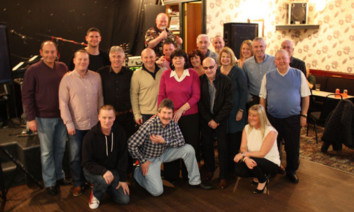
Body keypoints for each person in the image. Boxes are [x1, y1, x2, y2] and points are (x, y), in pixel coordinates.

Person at [128, 99, 209, 196]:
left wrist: (164, 141)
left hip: (164, 153)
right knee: (157, 191)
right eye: (164, 113)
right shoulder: (149, 125)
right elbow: (131, 144)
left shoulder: (173, 122)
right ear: (158, 113)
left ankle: (195, 181)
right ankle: (138, 173)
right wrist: (143, 161)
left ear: (172, 113)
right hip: (150, 159)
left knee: (188, 149)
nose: (166, 116)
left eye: (169, 113)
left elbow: (181, 141)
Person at [22, 41, 69, 195]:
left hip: (62, 117)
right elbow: (27, 96)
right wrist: (31, 119)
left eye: (53, 52)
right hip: (43, 118)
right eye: (47, 52)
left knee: (60, 149)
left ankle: (59, 176)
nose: (50, 55)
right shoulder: (32, 70)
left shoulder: (62, 67)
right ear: (41, 52)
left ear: (57, 53)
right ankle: (49, 182)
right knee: (47, 152)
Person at [259, 49, 310, 184]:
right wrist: (263, 117)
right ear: (275, 61)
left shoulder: (298, 74)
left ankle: (291, 171)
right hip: (272, 118)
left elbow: (306, 96)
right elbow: (262, 98)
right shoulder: (268, 76)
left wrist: (304, 115)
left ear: (289, 59)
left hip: (292, 118)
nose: (281, 61)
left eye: (284, 58)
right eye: (278, 59)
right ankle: (273, 169)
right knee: (272, 146)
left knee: (292, 146)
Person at [59, 49, 104, 196]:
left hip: (93, 125)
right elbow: (63, 103)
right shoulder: (67, 79)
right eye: (80, 59)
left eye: (85, 59)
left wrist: (101, 120)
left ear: (88, 61)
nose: (83, 62)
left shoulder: (96, 77)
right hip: (76, 126)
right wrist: (68, 123)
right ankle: (78, 183)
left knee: (93, 155)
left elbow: (100, 99)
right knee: (75, 156)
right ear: (74, 61)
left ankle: (92, 180)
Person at [158, 49, 201, 183]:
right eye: (175, 58)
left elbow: (196, 96)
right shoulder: (166, 75)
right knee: (172, 145)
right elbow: (161, 95)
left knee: (190, 145)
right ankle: (172, 176)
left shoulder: (192, 74)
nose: (177, 60)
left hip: (190, 116)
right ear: (171, 61)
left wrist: (180, 110)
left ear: (185, 60)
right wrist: (162, 113)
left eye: (180, 58)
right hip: (170, 118)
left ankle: (190, 175)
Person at [82, 105, 130, 209]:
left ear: (114, 118)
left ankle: (105, 187)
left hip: (112, 171)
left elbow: (123, 157)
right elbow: (86, 162)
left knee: (124, 199)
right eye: (104, 117)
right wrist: (103, 171)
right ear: (99, 117)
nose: (107, 121)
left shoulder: (120, 132)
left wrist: (122, 179)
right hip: (93, 171)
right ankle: (96, 194)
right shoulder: (90, 136)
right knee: (102, 180)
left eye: (110, 117)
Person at [199, 57, 233, 189]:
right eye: (206, 68)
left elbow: (229, 103)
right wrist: (209, 120)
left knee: (223, 147)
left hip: (221, 119)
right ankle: (210, 170)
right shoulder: (200, 81)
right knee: (207, 146)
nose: (208, 70)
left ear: (216, 66)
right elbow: (199, 102)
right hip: (206, 119)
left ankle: (223, 176)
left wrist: (217, 120)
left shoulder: (226, 81)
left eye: (211, 67)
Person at [233, 104, 280, 194]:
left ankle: (262, 180)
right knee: (238, 168)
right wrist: (246, 159)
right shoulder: (246, 128)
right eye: (250, 115)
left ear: (261, 117)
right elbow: (243, 147)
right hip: (253, 159)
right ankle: (258, 175)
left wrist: (244, 155)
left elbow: (262, 153)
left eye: (254, 116)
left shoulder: (271, 131)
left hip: (270, 162)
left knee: (253, 161)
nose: (251, 118)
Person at [217, 47, 248, 177]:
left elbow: (244, 92)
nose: (225, 59)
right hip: (222, 112)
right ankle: (225, 170)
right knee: (223, 143)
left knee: (235, 141)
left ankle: (235, 169)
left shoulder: (238, 71)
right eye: (223, 56)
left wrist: (241, 110)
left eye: (228, 57)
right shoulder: (217, 71)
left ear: (232, 58)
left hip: (236, 110)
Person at [98, 46, 135, 137]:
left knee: (126, 142)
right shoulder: (101, 73)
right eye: (114, 56)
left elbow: (135, 92)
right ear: (110, 58)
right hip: (108, 118)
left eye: (119, 56)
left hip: (126, 117)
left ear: (123, 58)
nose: (116, 59)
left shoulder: (130, 74)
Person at [130, 48, 166, 125]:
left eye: (151, 57)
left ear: (155, 57)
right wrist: (137, 115)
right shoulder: (136, 74)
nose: (149, 60)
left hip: (162, 113)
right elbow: (134, 95)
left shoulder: (164, 71)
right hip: (145, 115)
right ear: (142, 59)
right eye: (146, 57)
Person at [243, 37, 276, 107]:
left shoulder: (274, 61)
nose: (259, 49)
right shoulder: (246, 64)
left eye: (261, 46)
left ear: (265, 47)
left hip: (270, 98)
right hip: (254, 99)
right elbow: (244, 83)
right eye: (256, 47)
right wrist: (249, 97)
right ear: (252, 48)